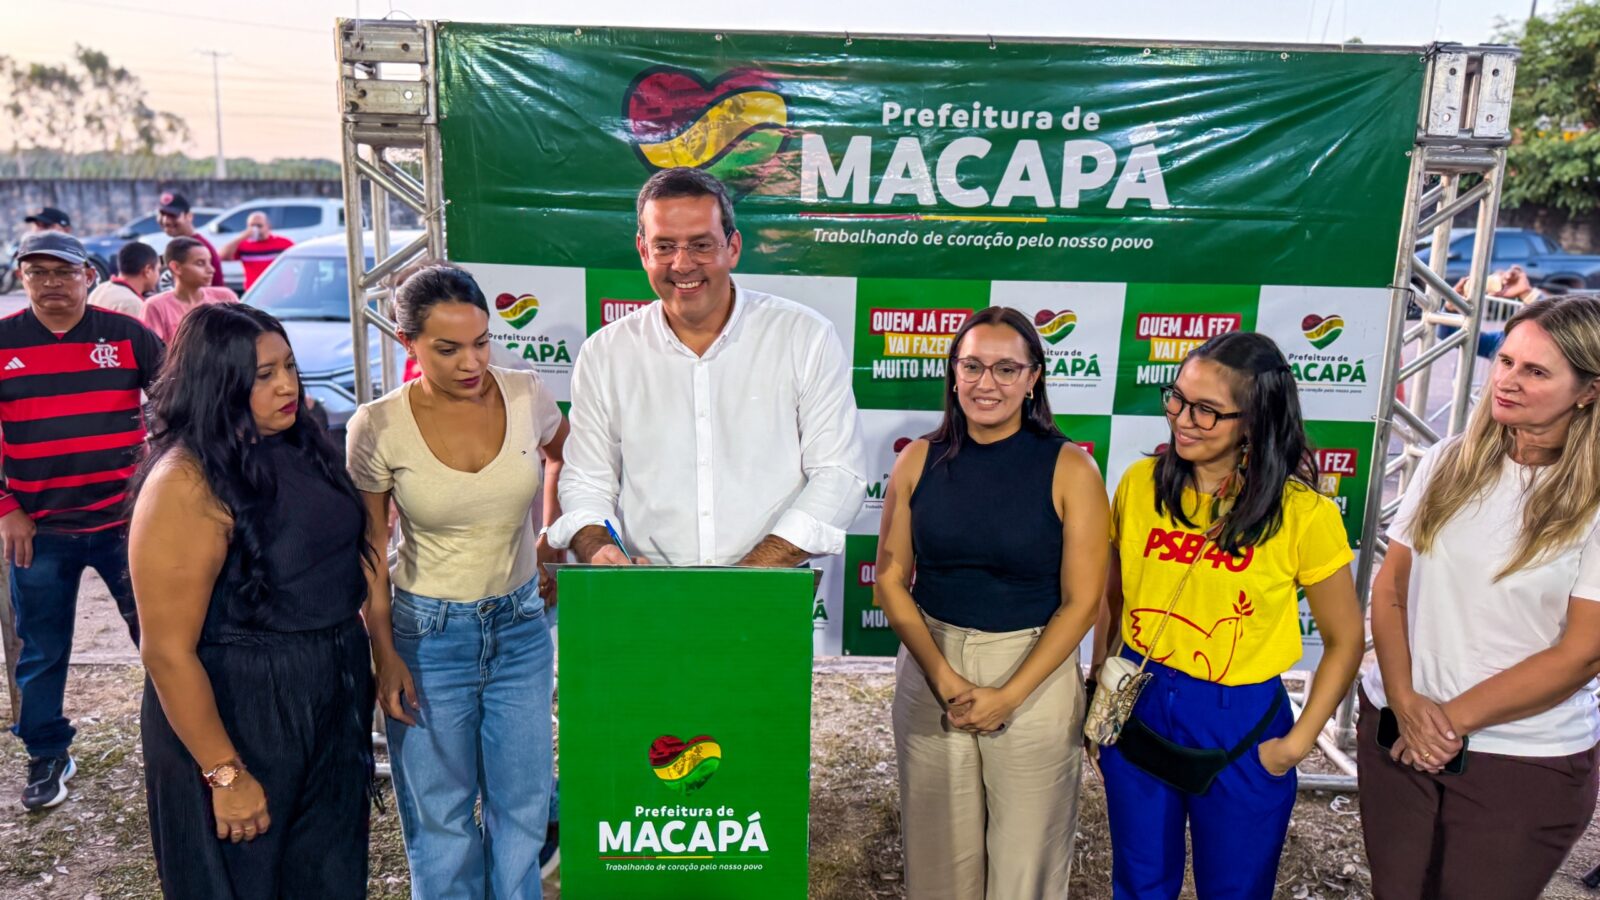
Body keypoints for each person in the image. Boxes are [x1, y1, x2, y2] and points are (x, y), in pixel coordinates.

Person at [1093, 331, 1363, 899]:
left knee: (1235, 891)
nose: (1182, 419)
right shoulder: (1139, 485)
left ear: (1255, 420)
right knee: (1139, 886)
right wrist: (1101, 688)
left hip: (1240, 723)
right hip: (1140, 703)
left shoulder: (1304, 515)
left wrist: (1294, 747)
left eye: (1207, 410)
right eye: (1177, 398)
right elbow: (1112, 598)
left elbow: (1345, 641)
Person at [130, 303, 374, 897]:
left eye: (289, 366)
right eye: (264, 375)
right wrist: (225, 772)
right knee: (241, 881)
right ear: (217, 382)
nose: (287, 385)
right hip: (239, 710)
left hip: (331, 695)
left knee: (330, 878)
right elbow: (166, 652)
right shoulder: (184, 481)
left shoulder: (301, 443)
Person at [1360, 295, 1600, 899]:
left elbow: (1582, 653)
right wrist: (1404, 701)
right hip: (1394, 732)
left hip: (1520, 760)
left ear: (1589, 392)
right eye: (1506, 360)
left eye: (1536, 371)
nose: (1507, 380)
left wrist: (1441, 725)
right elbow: (1391, 589)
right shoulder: (1448, 460)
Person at [346, 265, 569, 899]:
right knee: (441, 820)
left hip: (521, 631)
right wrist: (384, 653)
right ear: (407, 342)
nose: (471, 362)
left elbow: (563, 455)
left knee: (523, 808)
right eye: (448, 348)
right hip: (427, 637)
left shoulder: (526, 393)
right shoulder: (377, 425)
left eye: (481, 341)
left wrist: (549, 541)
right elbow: (371, 548)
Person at [875, 306, 1107, 899]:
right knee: (937, 862)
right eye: (972, 366)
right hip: (932, 666)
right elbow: (891, 578)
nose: (987, 383)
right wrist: (943, 678)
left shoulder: (1072, 468)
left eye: (1007, 368)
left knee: (1025, 867)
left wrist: (1008, 694)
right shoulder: (917, 459)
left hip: (1033, 672)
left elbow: (1083, 603)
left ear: (1033, 379)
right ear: (953, 373)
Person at [548, 166, 867, 569]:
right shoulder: (605, 352)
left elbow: (839, 474)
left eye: (701, 245)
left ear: (732, 248)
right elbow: (586, 479)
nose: (682, 264)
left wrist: (751, 574)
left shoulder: (804, 336)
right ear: (643, 251)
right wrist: (597, 545)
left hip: (770, 589)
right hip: (648, 590)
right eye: (664, 246)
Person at [0, 232, 163, 809]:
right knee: (42, 649)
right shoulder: (3, 342)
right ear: (22, 278)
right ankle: (47, 754)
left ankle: (181, 740)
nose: (50, 283)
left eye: (62, 272)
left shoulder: (127, 335)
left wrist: (163, 489)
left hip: (128, 524)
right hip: (40, 530)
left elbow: (177, 405)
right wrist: (7, 507)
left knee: (161, 637)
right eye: (37, 272)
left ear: (88, 277)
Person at [142, 236, 240, 343]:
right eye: (200, 263)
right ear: (176, 267)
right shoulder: (156, 306)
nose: (211, 269)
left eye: (209, 262)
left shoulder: (225, 297)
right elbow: (151, 349)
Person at [155, 191, 224, 287]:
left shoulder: (197, 248)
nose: (166, 221)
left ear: (189, 216)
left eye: (173, 215)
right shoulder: (179, 246)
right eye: (162, 214)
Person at [220, 211, 293, 292]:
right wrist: (241, 237)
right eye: (251, 226)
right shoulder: (244, 245)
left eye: (259, 226)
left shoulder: (283, 243)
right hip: (254, 292)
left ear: (268, 226)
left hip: (277, 291)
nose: (255, 229)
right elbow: (221, 256)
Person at [87, 242, 161, 318]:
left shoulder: (100, 289)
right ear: (148, 270)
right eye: (158, 269)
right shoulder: (132, 304)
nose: (159, 275)